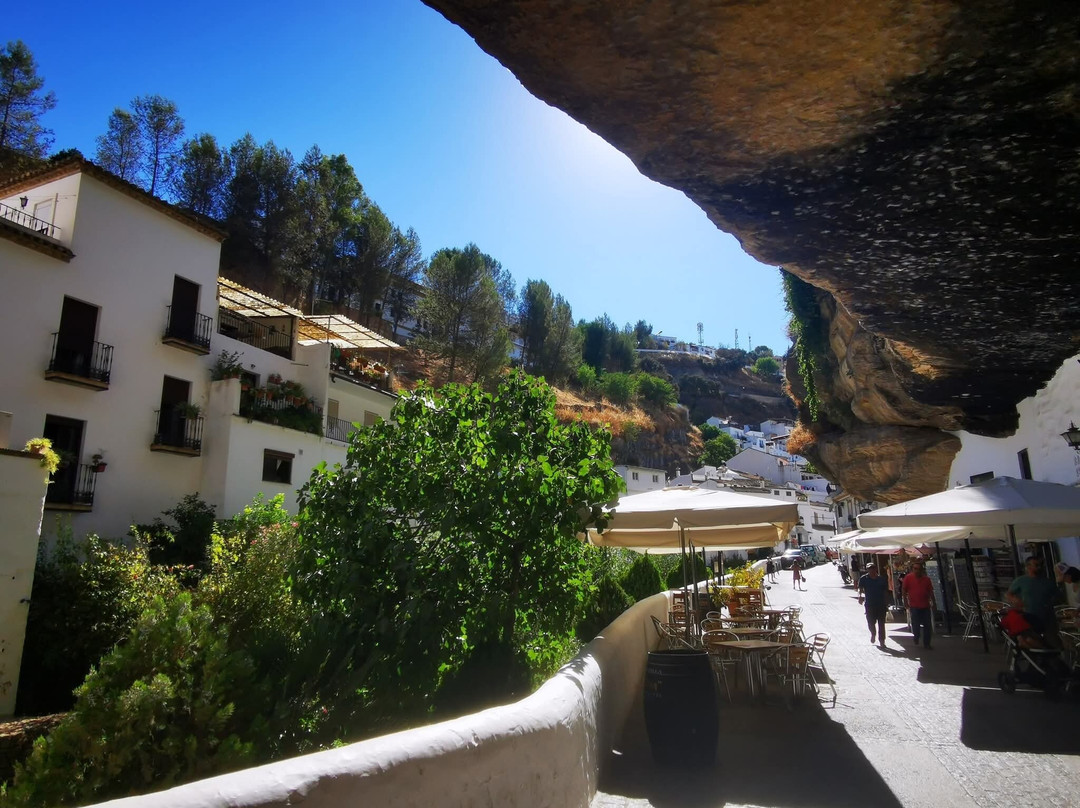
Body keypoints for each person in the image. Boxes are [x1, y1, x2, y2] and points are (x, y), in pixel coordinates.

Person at [1006, 555, 1060, 634]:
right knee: (1030, 639)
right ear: (1028, 566)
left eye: (1040, 565)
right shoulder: (1021, 581)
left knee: (1052, 641)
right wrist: (1016, 601)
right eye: (1036, 565)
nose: (1039, 567)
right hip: (1028, 616)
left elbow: (1057, 596)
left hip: (1047, 617)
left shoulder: (1048, 582)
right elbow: (1009, 594)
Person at [902, 559, 936, 650]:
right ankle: (916, 636)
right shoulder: (908, 578)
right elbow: (904, 590)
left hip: (925, 606)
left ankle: (927, 643)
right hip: (914, 605)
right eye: (915, 568)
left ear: (922, 570)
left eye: (918, 569)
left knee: (927, 625)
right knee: (915, 624)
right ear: (912, 569)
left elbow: (930, 592)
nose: (917, 570)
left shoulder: (927, 579)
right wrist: (905, 602)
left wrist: (934, 602)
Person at [858, 562, 889, 648]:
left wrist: (886, 602)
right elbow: (860, 588)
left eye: (872, 568)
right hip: (870, 604)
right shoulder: (864, 578)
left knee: (881, 623)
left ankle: (882, 640)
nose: (871, 570)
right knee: (871, 622)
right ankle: (873, 633)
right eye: (869, 568)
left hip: (881, 604)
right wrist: (860, 596)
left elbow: (885, 591)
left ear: (875, 569)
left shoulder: (881, 579)